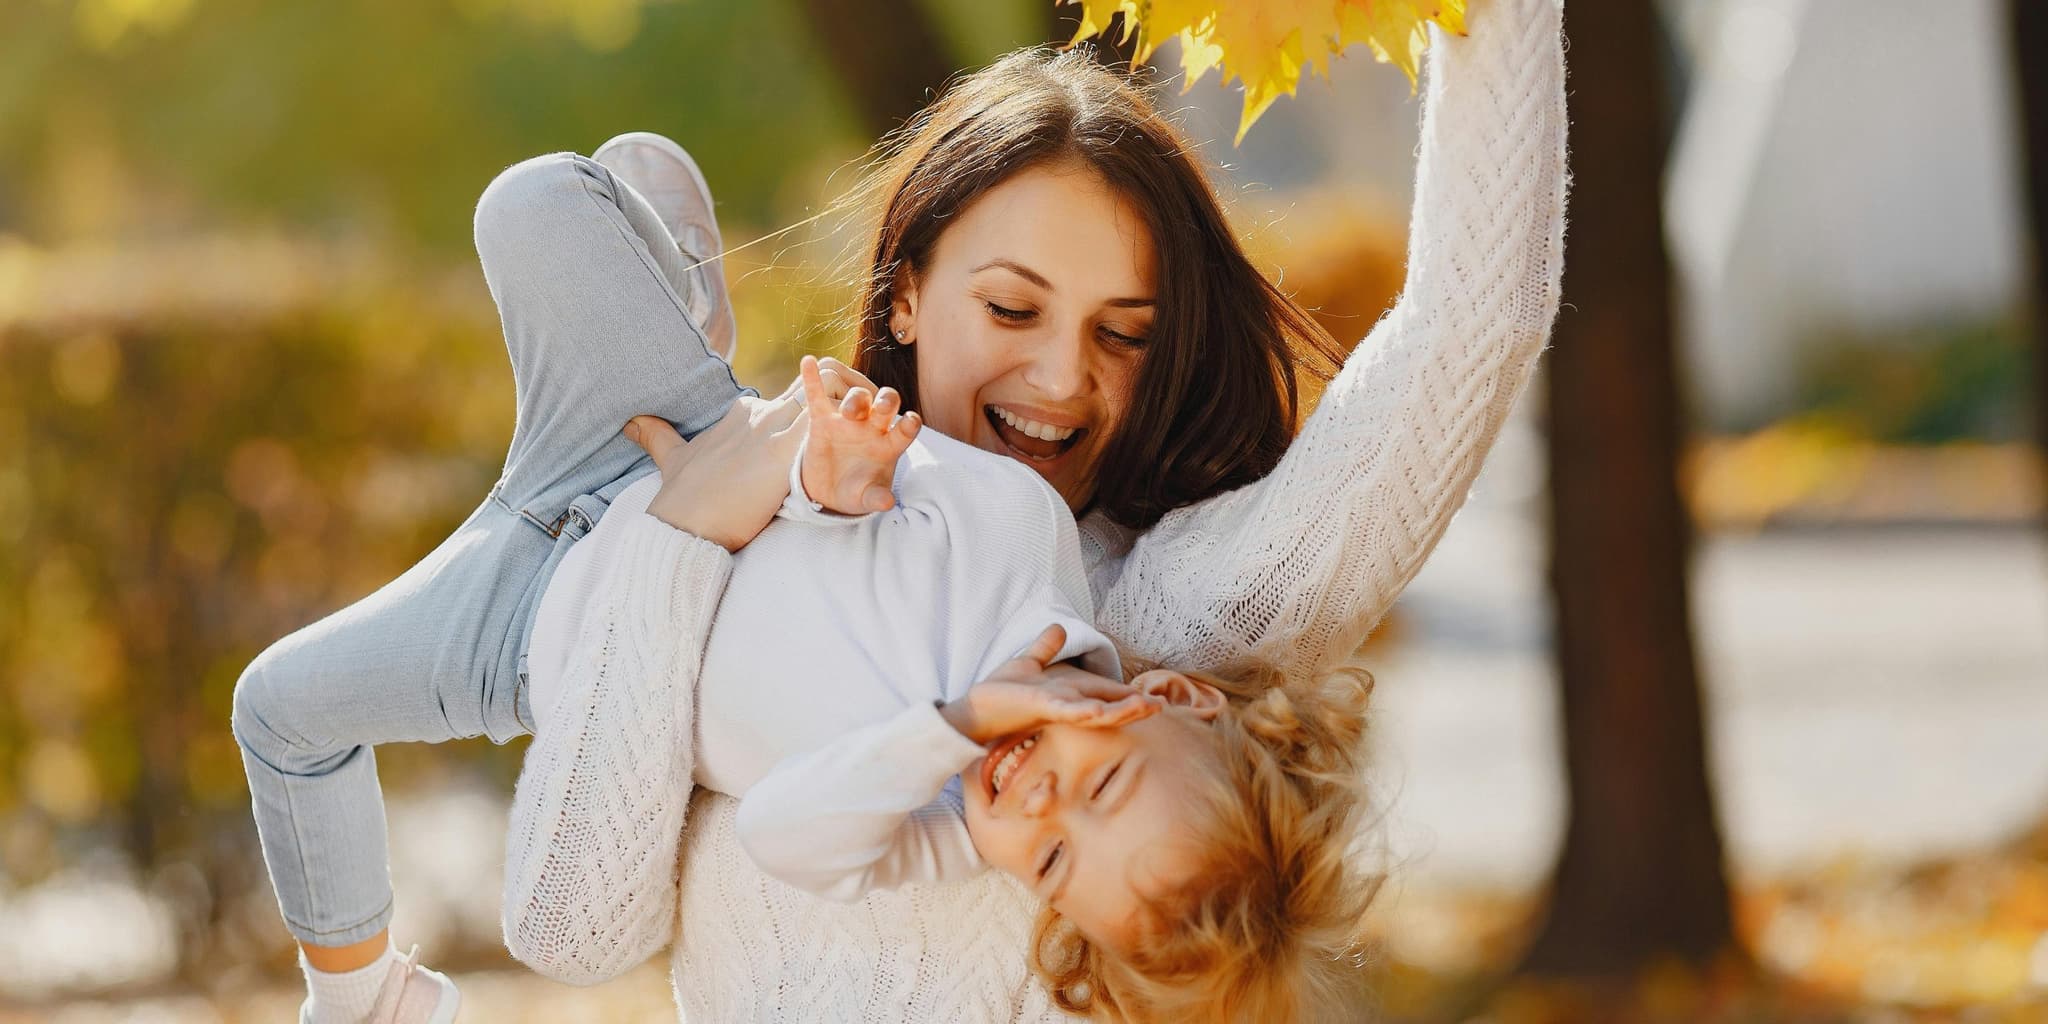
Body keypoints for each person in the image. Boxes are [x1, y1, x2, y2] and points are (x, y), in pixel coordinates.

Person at [503, 0, 1569, 1018]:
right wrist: (683, 532)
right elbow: (570, 927)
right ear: (906, 293)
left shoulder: (1151, 632)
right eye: (1012, 308)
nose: (1062, 377)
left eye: (1123, 333)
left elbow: (1469, 328)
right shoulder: (750, 554)